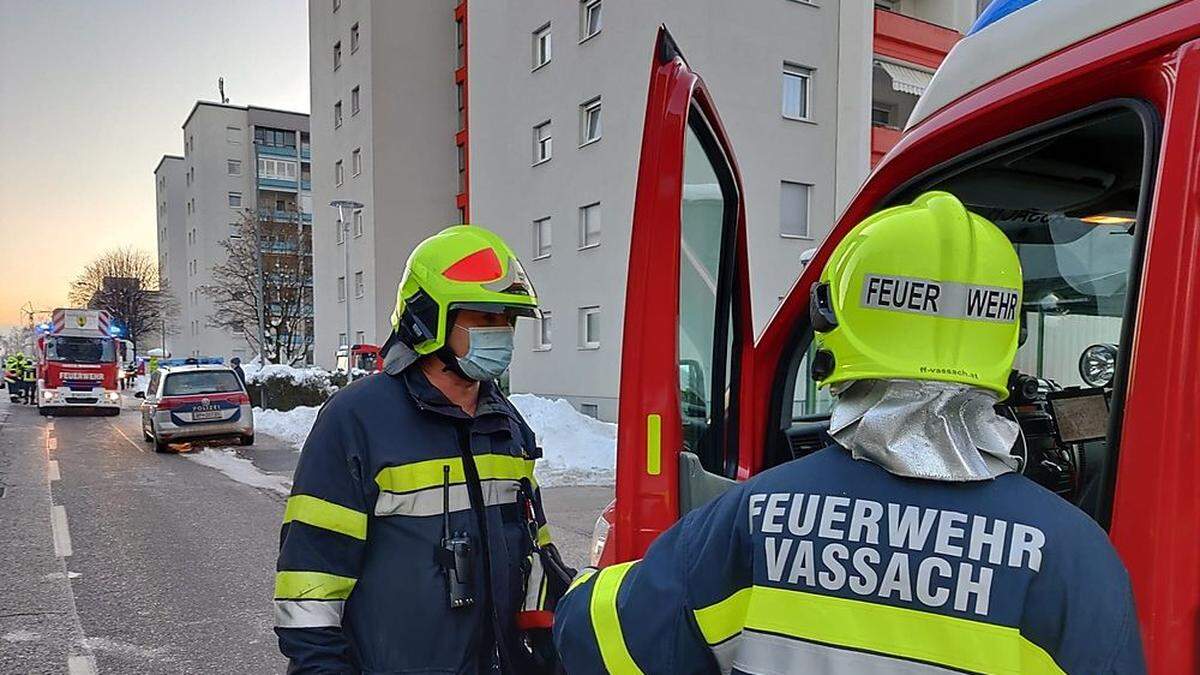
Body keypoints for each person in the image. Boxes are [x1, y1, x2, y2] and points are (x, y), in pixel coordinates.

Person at [553, 192, 1145, 674]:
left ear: (834, 328)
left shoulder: (754, 520)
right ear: (1004, 337)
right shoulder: (1077, 559)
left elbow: (601, 642)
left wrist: (583, 587)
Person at [274, 225, 572, 674]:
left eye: (508, 320)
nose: (502, 333)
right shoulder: (356, 421)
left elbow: (536, 553)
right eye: (485, 316)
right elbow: (309, 588)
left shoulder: (505, 424)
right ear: (427, 317)